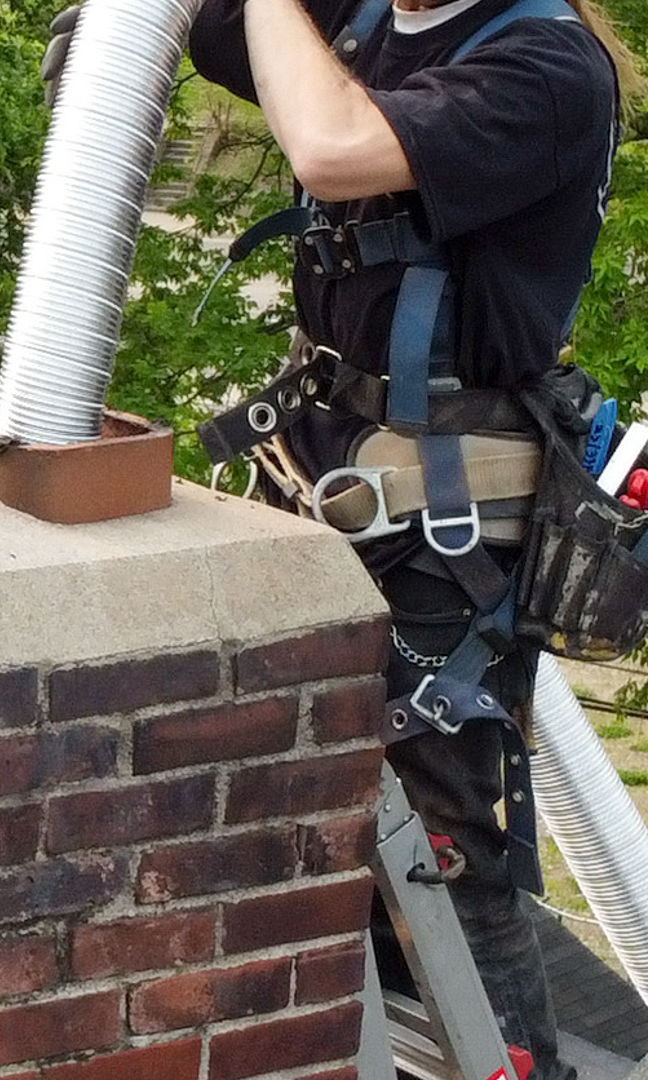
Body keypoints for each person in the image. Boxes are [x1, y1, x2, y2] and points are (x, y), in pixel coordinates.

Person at [43, 2, 644, 1078]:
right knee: (282, 795)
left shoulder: (544, 63)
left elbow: (330, 149)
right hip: (332, 478)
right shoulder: (368, 17)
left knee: (444, 857)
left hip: (445, 535)